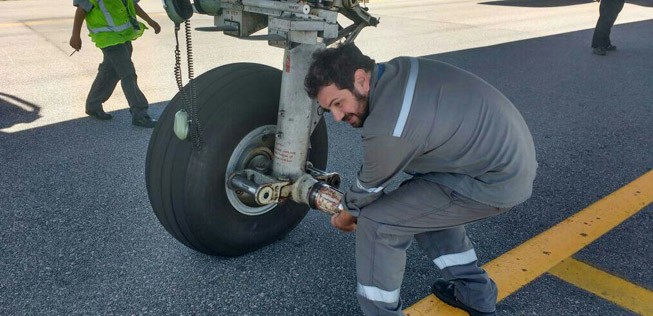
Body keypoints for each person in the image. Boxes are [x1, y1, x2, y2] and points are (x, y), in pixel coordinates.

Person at [304, 43, 537, 316]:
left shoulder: (389, 127)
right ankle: (476, 294)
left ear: (361, 80)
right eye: (329, 109)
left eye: (338, 103)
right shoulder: (398, 70)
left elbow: (367, 188)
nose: (338, 116)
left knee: (379, 223)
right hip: (502, 160)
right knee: (417, 206)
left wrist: (344, 212)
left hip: (496, 180)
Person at [70, 0, 161, 128]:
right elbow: (81, 10)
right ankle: (140, 114)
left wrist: (150, 21)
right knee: (128, 74)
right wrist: (75, 35)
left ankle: (93, 105)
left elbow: (132, 4)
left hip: (122, 35)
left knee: (110, 71)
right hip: (107, 37)